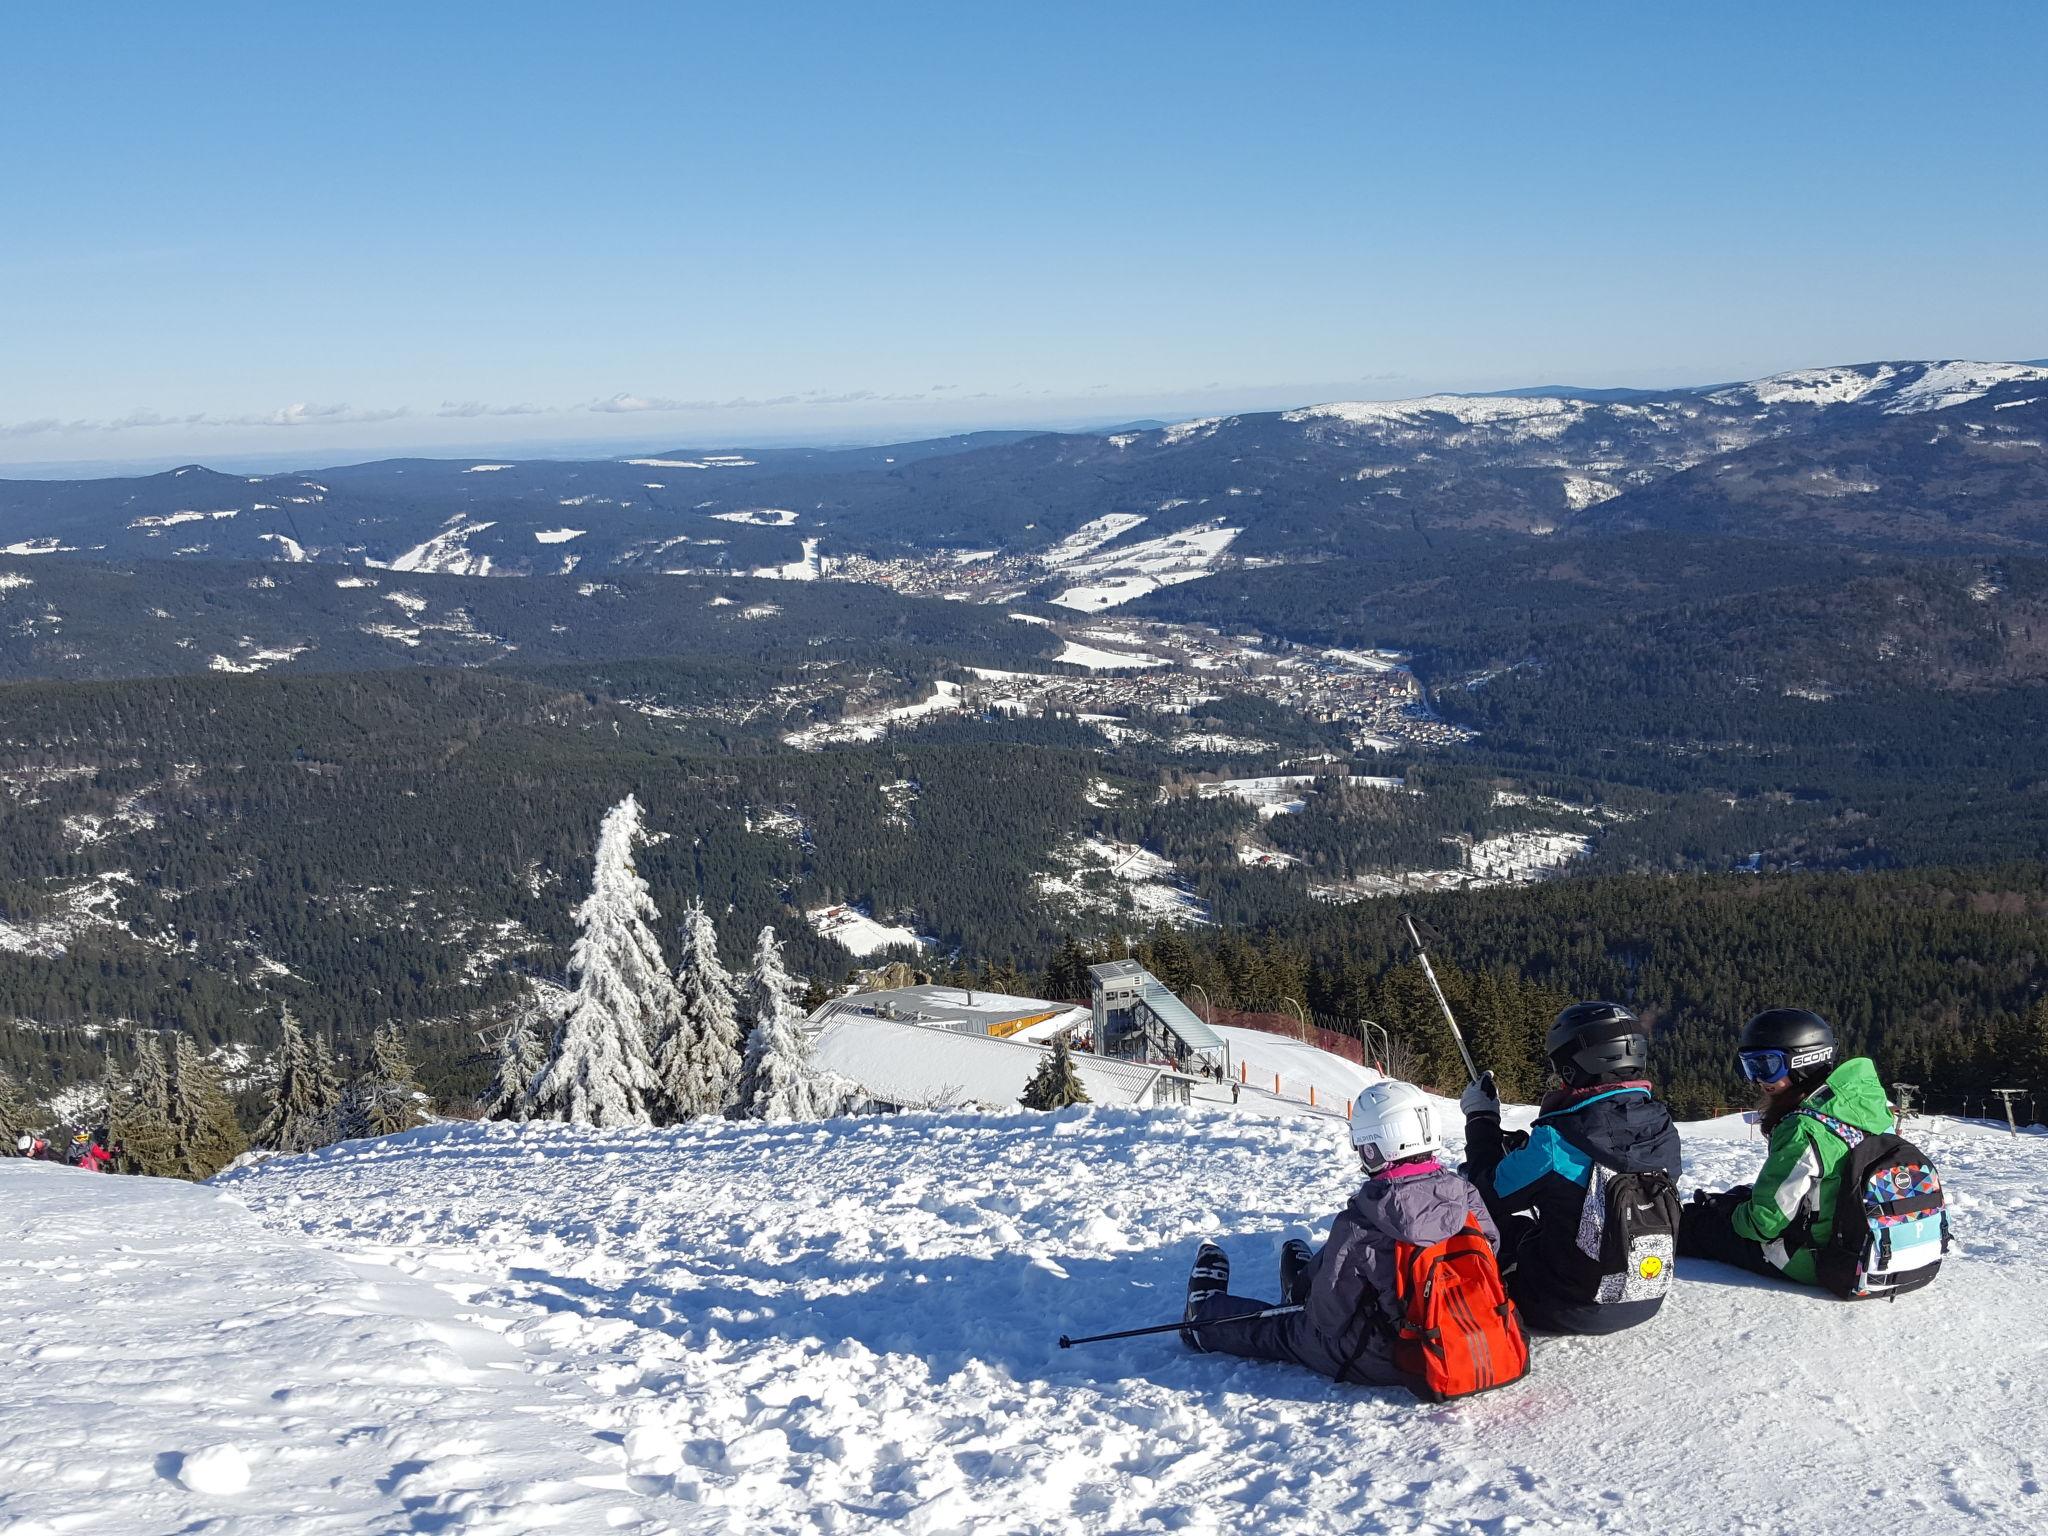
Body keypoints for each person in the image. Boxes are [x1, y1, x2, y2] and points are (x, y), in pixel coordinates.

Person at [1180, 1079, 1501, 1387]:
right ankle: (1303, 1284)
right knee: (1347, 1254)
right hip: (1468, 1335)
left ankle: (1204, 1320)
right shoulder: (1465, 1194)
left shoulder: (1363, 1220)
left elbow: (1328, 1319)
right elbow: (1492, 1247)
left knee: (1287, 1330)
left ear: (1374, 1149)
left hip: (1392, 1354)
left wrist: (1315, 1307)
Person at [1462, 1001, 1683, 1334]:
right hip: (1647, 1296)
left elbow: (1487, 1195)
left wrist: (1481, 1119)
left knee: (1498, 1234)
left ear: (1574, 1066)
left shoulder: (1558, 1139)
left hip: (1568, 1306)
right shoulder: (1663, 1129)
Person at [1679, 1007, 1892, 1286]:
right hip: (1871, 1245)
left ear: (1804, 1061)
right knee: (1739, 1196)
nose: (1757, 1079)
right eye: (1749, 1066)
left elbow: (1764, 1224)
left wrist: (1729, 1214)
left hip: (1820, 1259)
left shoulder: (1803, 1128)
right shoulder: (1863, 1106)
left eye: (1766, 1066)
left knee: (1698, 1224)